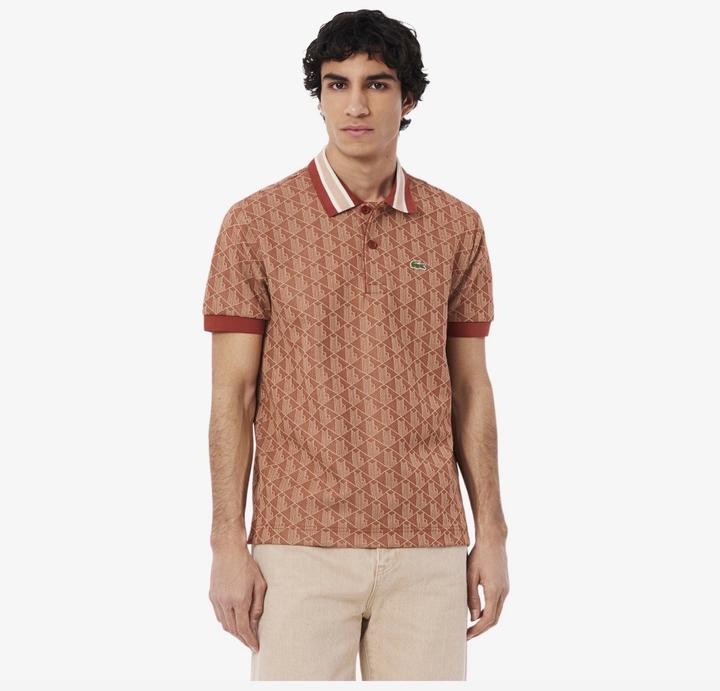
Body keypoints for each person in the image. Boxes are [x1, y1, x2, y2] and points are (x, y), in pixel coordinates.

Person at [202, 9, 509, 681]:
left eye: (377, 84)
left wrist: (492, 531)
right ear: (319, 95)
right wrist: (227, 538)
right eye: (337, 84)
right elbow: (234, 393)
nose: (355, 105)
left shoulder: (457, 227)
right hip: (297, 544)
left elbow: (471, 389)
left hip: (428, 544)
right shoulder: (256, 224)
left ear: (409, 99)